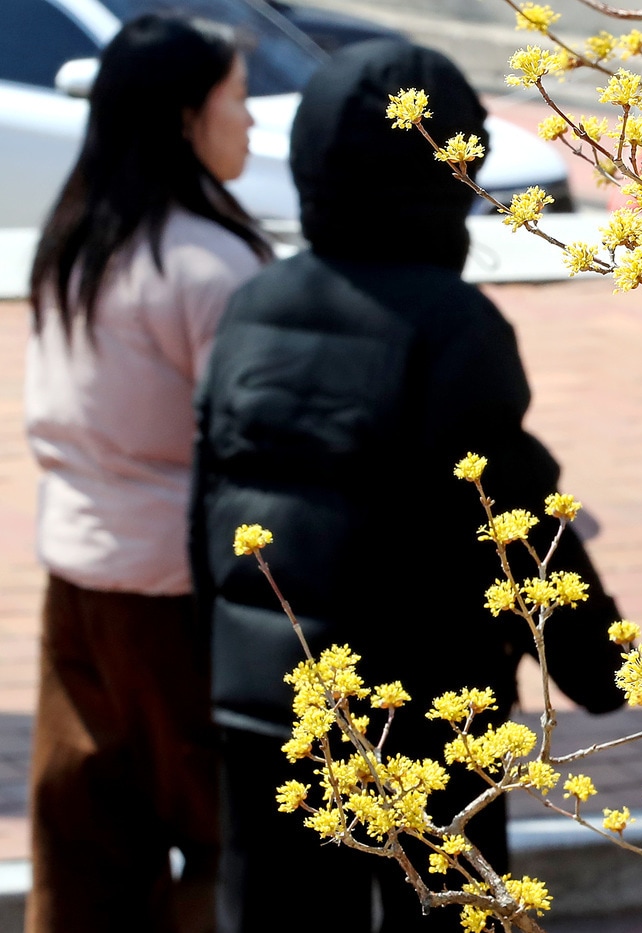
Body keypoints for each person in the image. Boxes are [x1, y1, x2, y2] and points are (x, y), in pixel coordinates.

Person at [188, 40, 627, 932]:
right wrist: (597, 664)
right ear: (447, 171)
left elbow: (207, 505)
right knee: (453, 912)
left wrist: (222, 667)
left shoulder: (254, 307)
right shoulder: (451, 324)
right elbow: (512, 516)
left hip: (269, 708)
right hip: (427, 716)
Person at [24, 13, 272, 933]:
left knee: (84, 841)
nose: (248, 124)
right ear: (182, 120)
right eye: (236, 102)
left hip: (78, 580)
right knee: (224, 836)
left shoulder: (77, 241)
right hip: (180, 596)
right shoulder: (213, 267)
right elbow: (247, 441)